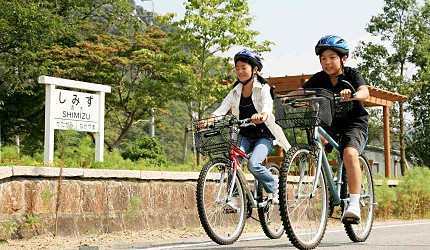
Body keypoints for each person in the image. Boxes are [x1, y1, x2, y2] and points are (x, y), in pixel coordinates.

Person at [210, 49, 291, 210]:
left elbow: (268, 105)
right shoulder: (235, 90)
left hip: (263, 135)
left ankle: (274, 186)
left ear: (255, 70)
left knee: (254, 164)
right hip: (244, 134)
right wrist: (211, 118)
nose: (240, 71)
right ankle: (232, 199)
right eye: (237, 68)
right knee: (234, 163)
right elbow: (223, 108)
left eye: (244, 67)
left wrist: (263, 114)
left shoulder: (263, 88)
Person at [301, 35, 370, 223]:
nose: (327, 62)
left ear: (343, 59)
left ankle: (354, 203)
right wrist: (286, 99)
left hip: (354, 123)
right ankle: (326, 184)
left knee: (349, 154)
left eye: (332, 57)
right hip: (330, 124)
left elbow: (365, 92)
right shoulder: (319, 79)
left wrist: (354, 94)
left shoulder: (351, 74)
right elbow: (301, 92)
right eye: (323, 58)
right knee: (318, 142)